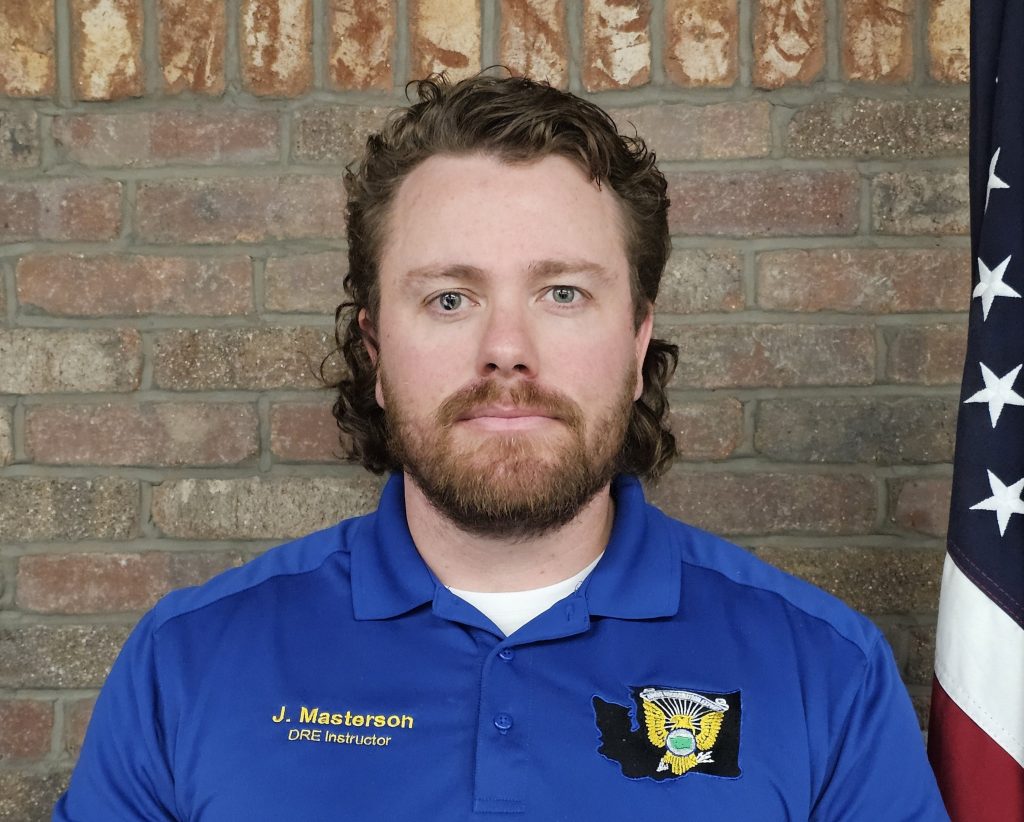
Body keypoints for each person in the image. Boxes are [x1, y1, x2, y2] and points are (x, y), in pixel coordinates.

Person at [54, 74, 948, 820]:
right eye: (449, 298)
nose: (506, 346)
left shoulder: (824, 673)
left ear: (638, 344)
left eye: (562, 293)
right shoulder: (187, 663)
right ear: (374, 351)